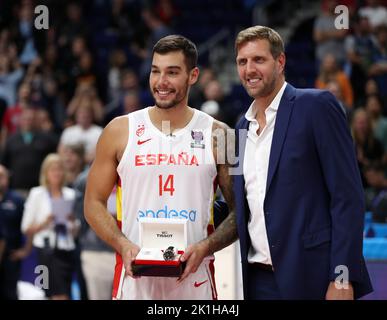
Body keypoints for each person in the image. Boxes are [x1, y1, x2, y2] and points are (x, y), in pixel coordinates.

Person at [84, 35, 237, 300]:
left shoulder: (221, 135)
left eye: (172, 72)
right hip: (133, 286)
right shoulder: (118, 130)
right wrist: (122, 243)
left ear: (193, 75)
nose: (161, 82)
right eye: (155, 71)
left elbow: (241, 213)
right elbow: (92, 203)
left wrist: (205, 246)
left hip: (196, 285)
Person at [233, 25, 373, 300]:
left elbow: (347, 197)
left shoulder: (317, 105)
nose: (249, 69)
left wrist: (342, 277)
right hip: (256, 281)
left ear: (280, 61)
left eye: (258, 59)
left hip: (314, 278)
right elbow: (237, 203)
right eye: (242, 62)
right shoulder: (238, 129)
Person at [21, 154, 78, 300]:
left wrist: (72, 222)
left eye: (59, 169)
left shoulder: (70, 194)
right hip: (46, 250)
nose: (57, 173)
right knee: (49, 291)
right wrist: (45, 223)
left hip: (66, 249)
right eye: (53, 170)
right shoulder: (37, 194)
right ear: (46, 173)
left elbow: (76, 230)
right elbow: (26, 228)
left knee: (64, 292)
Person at [0, 165, 29, 300]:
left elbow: (28, 227)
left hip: (10, 257)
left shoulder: (17, 200)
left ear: (8, 178)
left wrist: (25, 250)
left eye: (2, 176)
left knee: (10, 293)